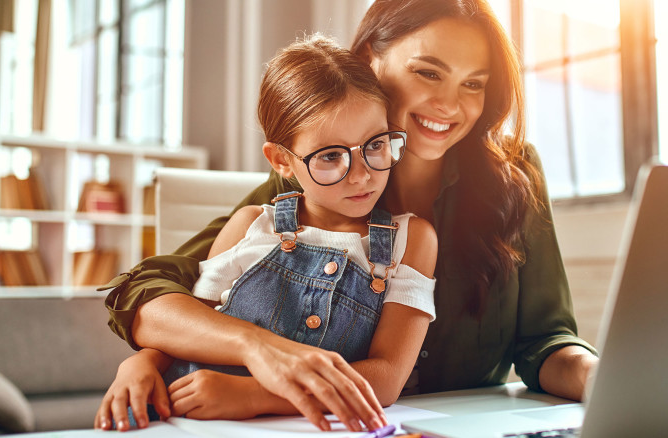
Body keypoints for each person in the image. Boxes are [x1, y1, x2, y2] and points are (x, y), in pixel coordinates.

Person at [97, 0, 598, 432]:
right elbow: (158, 287)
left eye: (474, 84)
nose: (450, 105)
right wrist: (251, 350)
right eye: (428, 72)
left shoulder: (515, 174)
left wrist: (601, 377)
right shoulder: (309, 182)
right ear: (368, 60)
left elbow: (546, 342)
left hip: (465, 425)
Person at [96, 35, 438, 432]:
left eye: (375, 145)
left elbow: (387, 377)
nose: (362, 175)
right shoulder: (250, 225)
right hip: (190, 421)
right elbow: (192, 326)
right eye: (330, 156)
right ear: (281, 161)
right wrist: (140, 362)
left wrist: (254, 397)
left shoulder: (411, 242)